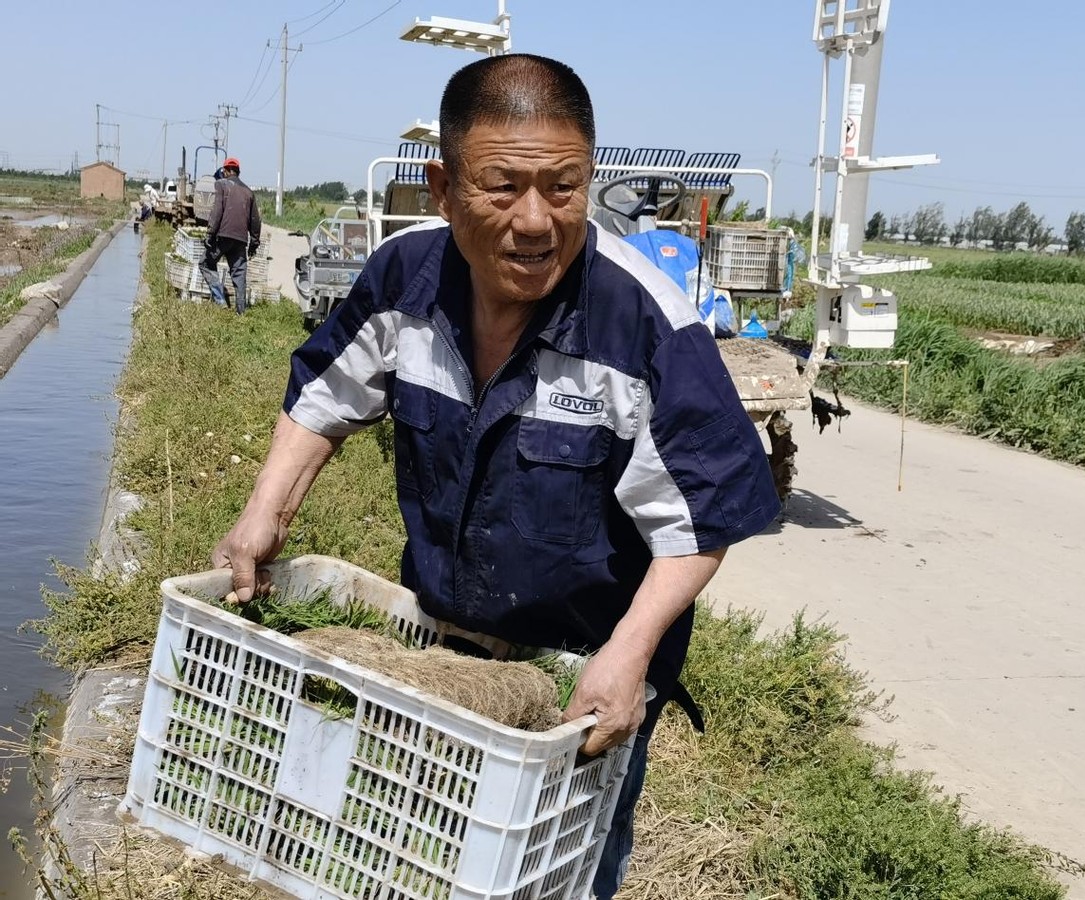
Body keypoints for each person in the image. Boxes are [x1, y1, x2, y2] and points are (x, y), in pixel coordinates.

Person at [213, 54, 779, 898]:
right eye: (503, 185)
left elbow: (698, 522)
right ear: (443, 188)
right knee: (418, 848)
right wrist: (266, 514)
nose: (536, 220)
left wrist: (629, 656)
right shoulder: (404, 280)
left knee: (558, 873)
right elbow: (322, 402)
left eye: (563, 187)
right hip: (443, 643)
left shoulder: (644, 325)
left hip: (578, 675)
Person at [200, 157, 261, 315]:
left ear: (225, 171)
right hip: (240, 240)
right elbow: (255, 220)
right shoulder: (248, 192)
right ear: (238, 172)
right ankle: (241, 313)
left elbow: (217, 211)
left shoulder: (222, 185)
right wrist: (254, 244)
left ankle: (220, 302)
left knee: (205, 263)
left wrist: (210, 233)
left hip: (223, 237)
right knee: (239, 275)